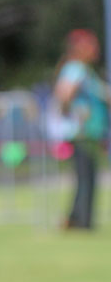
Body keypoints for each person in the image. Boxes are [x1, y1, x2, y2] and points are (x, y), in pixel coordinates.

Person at [53, 29, 110, 229]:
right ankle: (80, 222)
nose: (96, 49)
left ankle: (77, 219)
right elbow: (65, 93)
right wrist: (74, 114)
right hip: (82, 132)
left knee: (87, 176)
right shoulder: (76, 68)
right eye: (92, 45)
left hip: (89, 132)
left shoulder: (85, 70)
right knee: (86, 177)